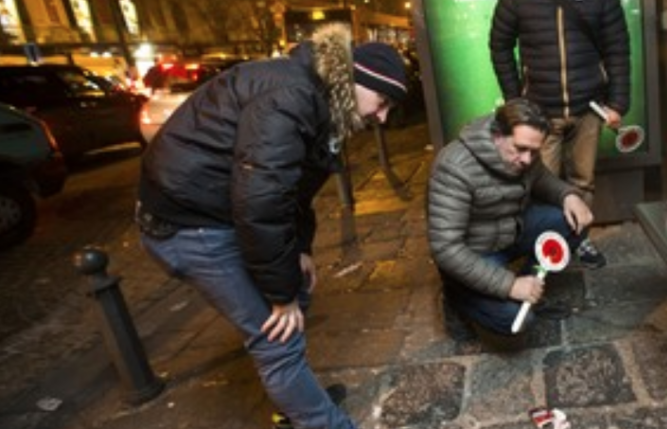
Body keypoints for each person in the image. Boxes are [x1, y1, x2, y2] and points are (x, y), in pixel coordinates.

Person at [134, 24, 407, 429]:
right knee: (277, 338)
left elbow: (291, 189)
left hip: (218, 210)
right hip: (188, 224)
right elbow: (260, 201)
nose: (381, 117)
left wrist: (301, 249)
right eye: (382, 102)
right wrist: (280, 296)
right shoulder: (292, 96)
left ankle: (297, 404)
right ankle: (318, 420)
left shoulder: (321, 97)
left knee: (296, 293)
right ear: (354, 80)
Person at [427, 99, 594, 340]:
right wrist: (509, 286)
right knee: (517, 320)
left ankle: (531, 287)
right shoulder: (454, 167)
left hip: (512, 229)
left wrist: (569, 196)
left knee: (575, 221)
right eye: (520, 149)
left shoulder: (526, 150)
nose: (527, 159)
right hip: (475, 252)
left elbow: (541, 178)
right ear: (497, 135)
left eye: (534, 152)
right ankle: (456, 297)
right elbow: (445, 248)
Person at [489, 0, 631, 269]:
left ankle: (578, 239)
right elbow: (500, 45)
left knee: (583, 181)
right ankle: (544, 245)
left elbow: (617, 47)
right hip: (540, 112)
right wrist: (515, 101)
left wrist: (617, 102)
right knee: (540, 186)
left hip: (590, 107)